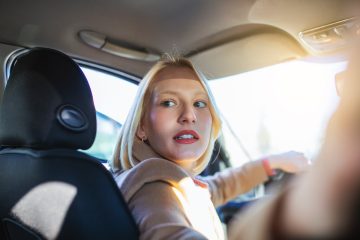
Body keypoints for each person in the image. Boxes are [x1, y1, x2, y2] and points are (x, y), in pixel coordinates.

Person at [111, 56, 309, 239]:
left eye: (199, 103)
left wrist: (271, 162)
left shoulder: (178, 184)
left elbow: (218, 186)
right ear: (141, 127)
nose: (189, 115)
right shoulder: (153, 187)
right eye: (169, 102)